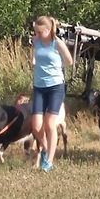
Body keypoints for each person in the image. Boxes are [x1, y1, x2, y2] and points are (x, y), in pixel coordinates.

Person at [31, 16, 74, 171]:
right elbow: (34, 57)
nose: (36, 34)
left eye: (39, 31)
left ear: (48, 30)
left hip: (55, 86)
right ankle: (45, 147)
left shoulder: (57, 43)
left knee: (50, 124)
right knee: (36, 126)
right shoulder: (36, 41)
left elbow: (69, 61)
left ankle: (48, 161)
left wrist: (56, 66)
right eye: (35, 31)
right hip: (39, 87)